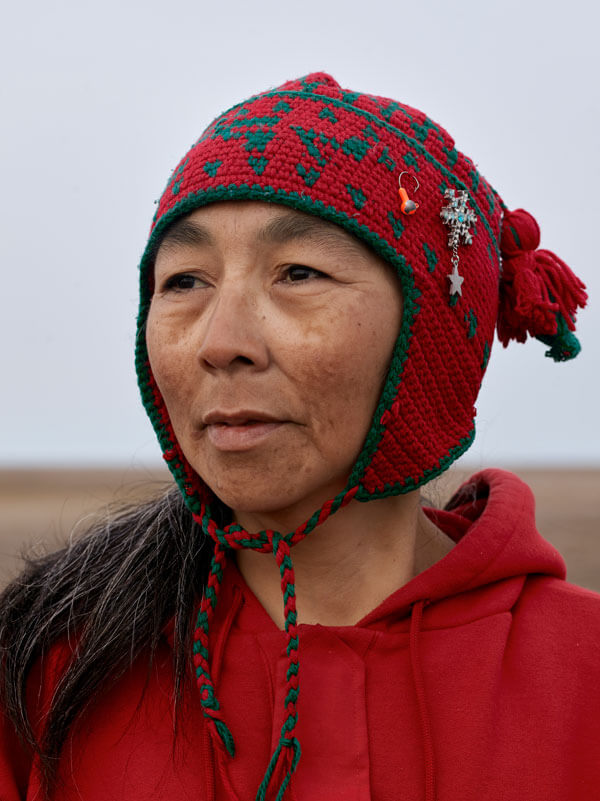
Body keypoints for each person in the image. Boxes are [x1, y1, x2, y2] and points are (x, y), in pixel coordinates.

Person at [0, 72, 597, 801]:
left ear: (431, 338)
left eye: (299, 272)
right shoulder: (49, 676)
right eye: (185, 280)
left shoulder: (583, 679)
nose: (221, 342)